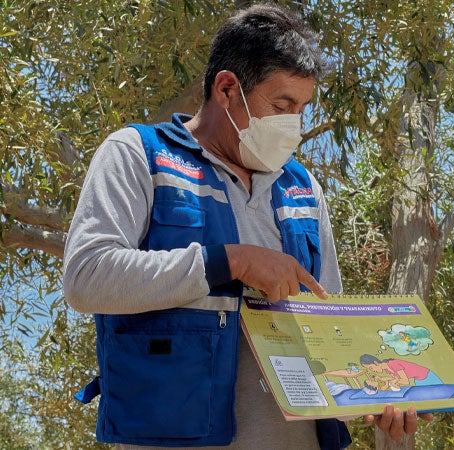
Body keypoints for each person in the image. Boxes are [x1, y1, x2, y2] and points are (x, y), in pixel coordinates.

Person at [63, 3, 428, 448]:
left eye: (303, 107)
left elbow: (332, 328)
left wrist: (379, 397)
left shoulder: (303, 188)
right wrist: (230, 261)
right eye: (282, 104)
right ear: (227, 89)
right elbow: (87, 277)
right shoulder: (138, 156)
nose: (294, 123)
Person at [360, 354, 443, 387]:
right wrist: (382, 379)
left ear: (375, 362)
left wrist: (389, 383)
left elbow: (405, 382)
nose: (373, 370)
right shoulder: (387, 370)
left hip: (427, 377)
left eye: (371, 368)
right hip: (419, 380)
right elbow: (395, 379)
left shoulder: (393, 364)